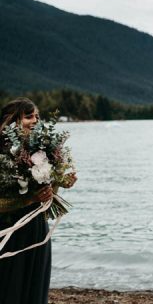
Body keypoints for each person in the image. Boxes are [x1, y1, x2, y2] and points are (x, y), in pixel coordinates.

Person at [0, 98, 74, 304]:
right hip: (9, 232)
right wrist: (29, 200)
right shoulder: (2, 155)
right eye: (29, 116)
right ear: (12, 120)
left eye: (38, 117)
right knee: (10, 289)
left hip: (36, 228)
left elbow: (45, 193)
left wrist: (60, 183)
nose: (35, 120)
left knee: (35, 289)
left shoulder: (40, 151)